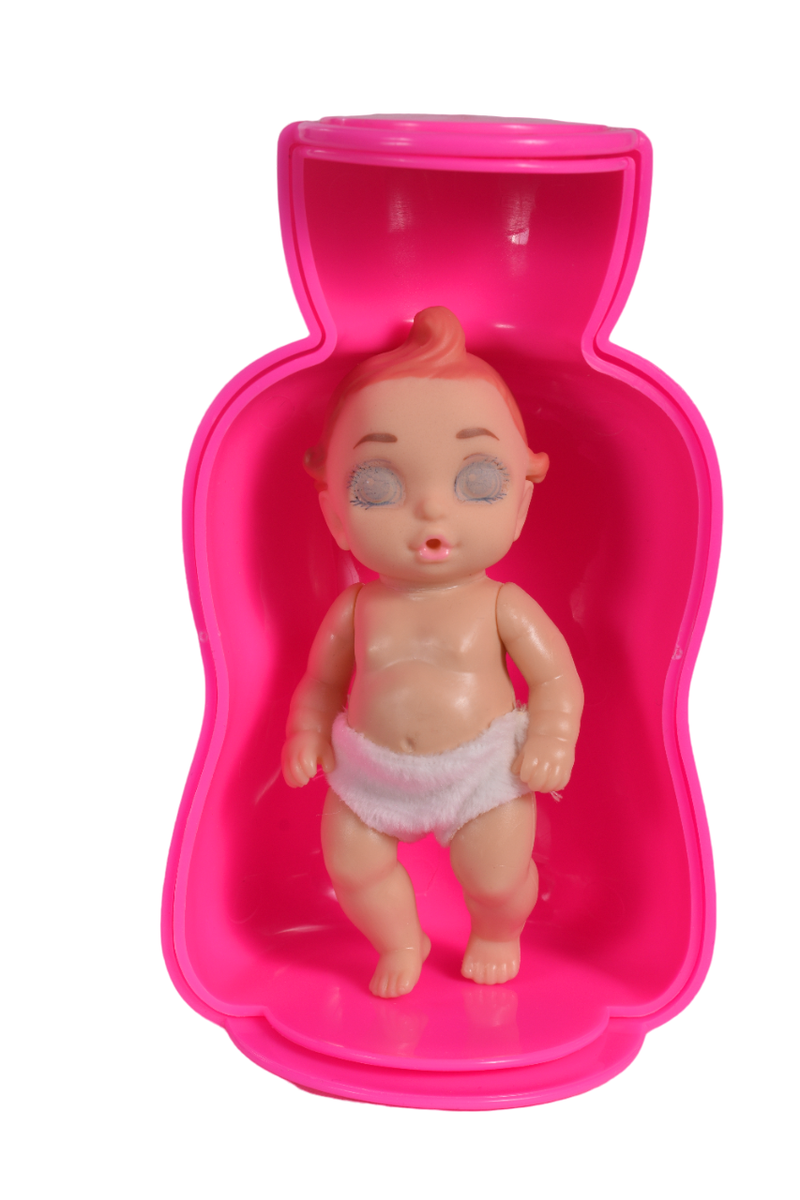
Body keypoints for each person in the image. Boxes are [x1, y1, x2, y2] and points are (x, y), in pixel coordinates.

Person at [281, 307, 583, 998]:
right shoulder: (356, 608)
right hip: (370, 770)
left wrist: (553, 737)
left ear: (520, 505)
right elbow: (321, 683)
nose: (431, 512)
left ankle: (498, 930)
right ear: (334, 513)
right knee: (353, 867)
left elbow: (556, 678)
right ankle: (400, 940)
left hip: (481, 769)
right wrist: (305, 730)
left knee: (496, 877)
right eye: (377, 487)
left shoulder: (502, 604)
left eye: (477, 482)